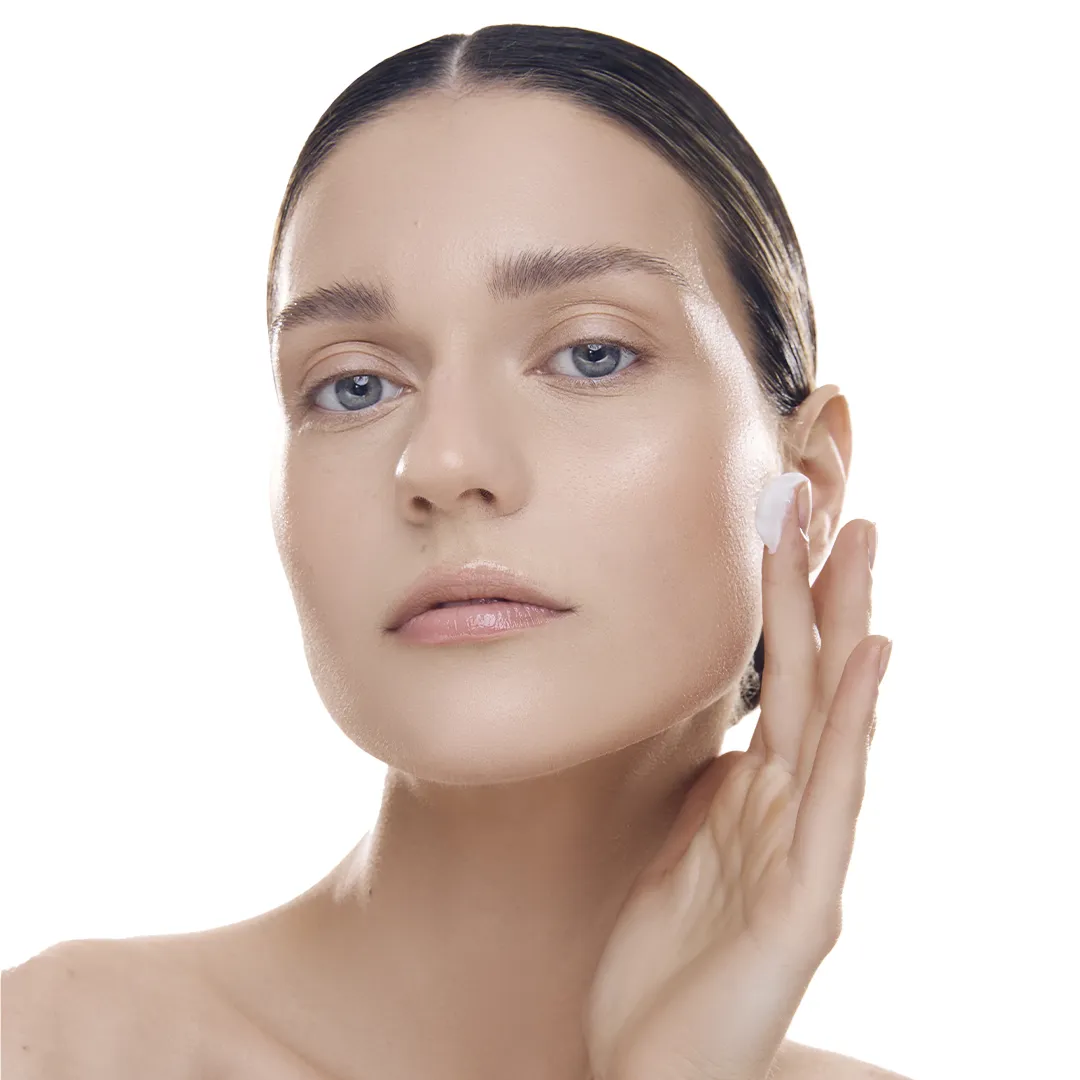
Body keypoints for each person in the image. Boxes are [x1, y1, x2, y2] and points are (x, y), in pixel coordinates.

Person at [2, 23, 911, 1080]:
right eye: (354, 385)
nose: (441, 463)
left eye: (592, 354)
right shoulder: (59, 1046)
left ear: (809, 482)